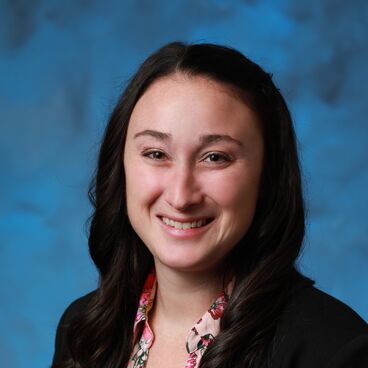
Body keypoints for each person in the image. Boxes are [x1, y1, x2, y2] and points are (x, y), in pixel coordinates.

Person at [52, 42, 368, 368]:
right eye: (156, 154)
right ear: (121, 167)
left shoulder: (334, 350)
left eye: (215, 157)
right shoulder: (82, 330)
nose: (180, 196)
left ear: (268, 176)